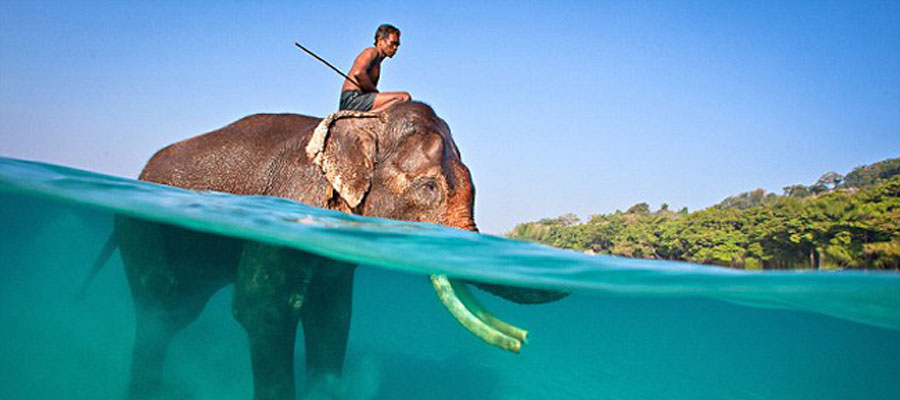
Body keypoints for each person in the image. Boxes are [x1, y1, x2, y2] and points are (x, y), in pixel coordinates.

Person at [339, 24, 411, 112]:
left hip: (360, 99)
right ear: (380, 41)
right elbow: (359, 73)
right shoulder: (371, 52)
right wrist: (375, 92)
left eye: (397, 45)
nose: (395, 48)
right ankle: (369, 116)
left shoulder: (377, 62)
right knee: (404, 97)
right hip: (353, 99)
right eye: (392, 43)